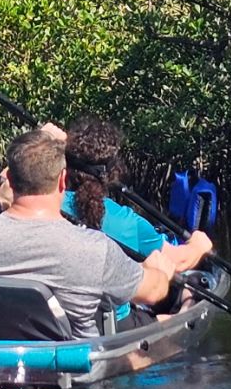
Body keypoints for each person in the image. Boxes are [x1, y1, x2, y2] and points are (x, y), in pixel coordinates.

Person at [0, 127, 181, 341]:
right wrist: (159, 270)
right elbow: (154, 293)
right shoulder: (94, 249)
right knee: (171, 317)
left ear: (9, 180)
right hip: (68, 384)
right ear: (62, 181)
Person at [60, 114, 214, 277]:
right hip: (118, 300)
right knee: (188, 290)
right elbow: (177, 261)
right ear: (114, 171)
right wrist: (198, 245)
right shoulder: (127, 222)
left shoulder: (46, 206)